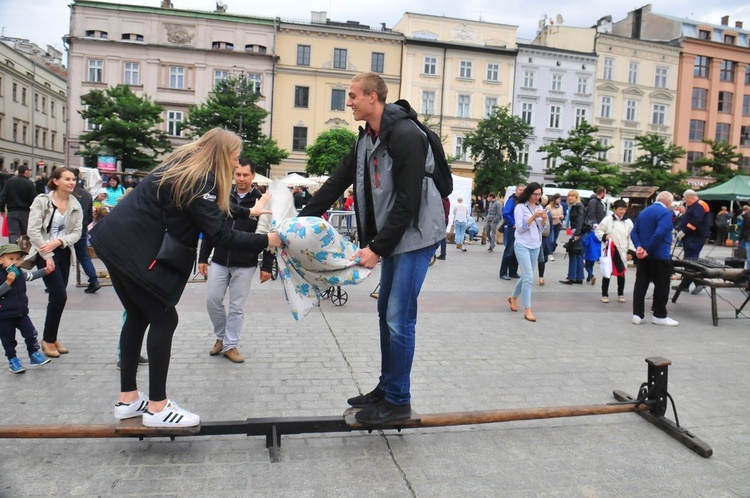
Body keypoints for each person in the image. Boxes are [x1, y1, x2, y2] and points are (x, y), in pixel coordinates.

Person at [90, 128, 282, 428]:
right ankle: (158, 407)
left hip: (112, 242)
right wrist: (268, 240)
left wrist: (248, 212)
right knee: (164, 319)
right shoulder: (201, 178)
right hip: (133, 249)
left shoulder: (184, 168)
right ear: (222, 154)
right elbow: (220, 234)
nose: (235, 164)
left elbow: (208, 209)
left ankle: (128, 399)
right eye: (233, 157)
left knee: (139, 317)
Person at [298, 72, 445, 425]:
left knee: (399, 317)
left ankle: (399, 401)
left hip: (416, 235)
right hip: (395, 237)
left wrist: (377, 248)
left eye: (351, 96)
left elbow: (409, 200)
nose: (347, 102)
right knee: (386, 315)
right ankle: (387, 388)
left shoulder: (406, 134)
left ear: (372, 98)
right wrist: (301, 221)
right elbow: (338, 180)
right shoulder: (366, 138)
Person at [197, 158, 274, 364]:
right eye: (238, 174)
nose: (241, 178)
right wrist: (203, 257)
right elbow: (210, 228)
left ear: (253, 176)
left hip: (245, 262)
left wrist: (267, 266)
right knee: (212, 300)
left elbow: (268, 234)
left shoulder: (261, 200)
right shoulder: (222, 196)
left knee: (237, 306)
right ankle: (221, 337)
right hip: (220, 259)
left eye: (245, 175)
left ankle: (231, 345)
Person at [25, 167, 83, 357]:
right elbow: (33, 231)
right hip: (43, 252)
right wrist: (47, 254)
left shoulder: (75, 204)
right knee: (59, 295)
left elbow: (77, 233)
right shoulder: (42, 201)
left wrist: (60, 241)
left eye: (73, 179)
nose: (71, 182)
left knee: (57, 297)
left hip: (64, 252)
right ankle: (48, 340)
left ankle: (52, 336)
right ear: (56, 181)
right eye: (67, 179)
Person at [0, 243, 53, 373]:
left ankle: (34, 354)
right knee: (8, 339)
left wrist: (45, 271)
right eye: (11, 259)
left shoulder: (18, 273)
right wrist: (8, 282)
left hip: (21, 312)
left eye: (18, 259)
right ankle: (13, 360)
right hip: (4, 315)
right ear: (1, 259)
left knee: (30, 333)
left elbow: (31, 276)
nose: (15, 262)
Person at [631, 191, 678, 326]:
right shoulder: (666, 213)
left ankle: (637, 314)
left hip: (642, 255)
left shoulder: (644, 212)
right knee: (662, 285)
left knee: (641, 284)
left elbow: (634, 232)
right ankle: (659, 315)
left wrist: (639, 247)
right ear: (668, 203)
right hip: (659, 255)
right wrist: (649, 250)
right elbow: (660, 233)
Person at [507, 183, 545, 322]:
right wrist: (532, 217)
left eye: (539, 194)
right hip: (522, 243)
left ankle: (513, 297)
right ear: (528, 193)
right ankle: (527, 309)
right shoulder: (520, 207)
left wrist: (544, 220)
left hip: (535, 244)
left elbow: (541, 228)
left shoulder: (540, 207)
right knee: (529, 277)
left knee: (526, 276)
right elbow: (520, 229)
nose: (537, 197)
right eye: (534, 194)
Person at [595, 199, 635, 303]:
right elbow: (598, 230)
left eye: (624, 209)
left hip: (622, 250)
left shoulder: (628, 222)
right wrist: (605, 236)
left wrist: (631, 251)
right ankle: (604, 294)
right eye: (620, 209)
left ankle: (620, 294)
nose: (622, 211)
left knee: (621, 273)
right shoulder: (607, 220)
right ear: (615, 209)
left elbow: (631, 237)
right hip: (610, 250)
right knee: (607, 272)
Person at [674, 189, 711, 295]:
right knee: (688, 260)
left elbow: (696, 220)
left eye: (685, 199)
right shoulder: (695, 205)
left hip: (695, 237)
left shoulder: (699, 205)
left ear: (690, 197)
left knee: (691, 261)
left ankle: (699, 282)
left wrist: (684, 231)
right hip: (692, 237)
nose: (685, 202)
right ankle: (685, 284)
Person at [71, 169, 101, 294]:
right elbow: (89, 215)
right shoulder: (87, 194)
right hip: (81, 228)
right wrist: (83, 225)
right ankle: (93, 279)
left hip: (67, 229)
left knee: (60, 255)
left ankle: (57, 282)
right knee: (83, 255)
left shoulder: (68, 193)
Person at [0, 165, 38, 244]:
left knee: (13, 233)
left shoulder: (10, 182)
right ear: (26, 172)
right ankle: (24, 249)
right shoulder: (29, 183)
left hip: (12, 211)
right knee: (25, 233)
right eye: (29, 171)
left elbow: (3, 196)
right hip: (25, 211)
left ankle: (13, 250)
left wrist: (2, 208)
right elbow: (34, 199)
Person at [560, 190, 586, 285]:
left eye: (573, 196)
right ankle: (579, 277)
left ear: (576, 197)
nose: (570, 197)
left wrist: (577, 234)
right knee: (578, 254)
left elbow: (580, 220)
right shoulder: (576, 206)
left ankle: (571, 277)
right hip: (579, 232)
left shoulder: (578, 206)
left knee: (573, 253)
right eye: (569, 196)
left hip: (578, 232)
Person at [500, 184, 525, 280]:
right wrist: (513, 223)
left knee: (516, 251)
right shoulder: (512, 200)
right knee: (509, 251)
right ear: (516, 190)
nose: (522, 191)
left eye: (523, 190)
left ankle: (513, 271)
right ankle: (503, 272)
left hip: (520, 229)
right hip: (513, 228)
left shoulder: (522, 201)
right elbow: (506, 213)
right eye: (520, 190)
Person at [546, 193, 564, 260]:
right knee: (551, 239)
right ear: (555, 199)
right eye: (558, 199)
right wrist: (556, 217)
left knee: (555, 240)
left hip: (558, 224)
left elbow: (562, 214)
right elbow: (547, 215)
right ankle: (549, 253)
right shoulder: (549, 206)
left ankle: (551, 249)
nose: (559, 200)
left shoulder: (560, 206)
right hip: (551, 224)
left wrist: (561, 217)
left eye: (560, 199)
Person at [738, 205, 750, 270]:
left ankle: (748, 271)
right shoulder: (747, 215)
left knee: (749, 257)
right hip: (748, 237)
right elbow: (744, 227)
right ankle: (748, 271)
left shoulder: (747, 215)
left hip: (748, 237)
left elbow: (743, 227)